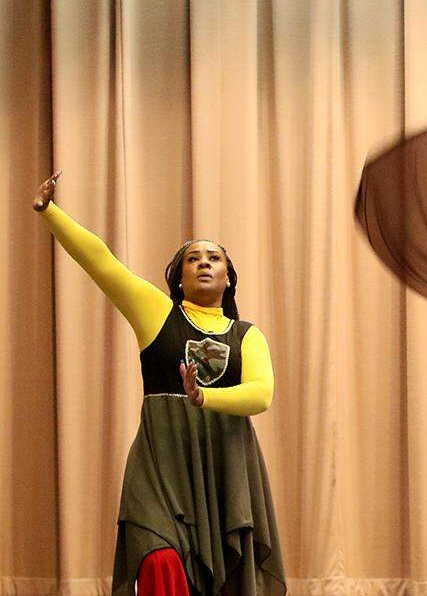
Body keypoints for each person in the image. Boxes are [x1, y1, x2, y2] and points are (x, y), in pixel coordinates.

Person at [34, 172, 286, 596]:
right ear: (178, 277)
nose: (204, 262)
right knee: (159, 558)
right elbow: (102, 262)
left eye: (214, 258)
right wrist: (50, 212)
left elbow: (261, 395)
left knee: (225, 573)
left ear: (228, 278)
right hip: (160, 462)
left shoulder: (247, 334)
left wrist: (205, 396)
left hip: (226, 465)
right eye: (193, 258)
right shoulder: (156, 313)